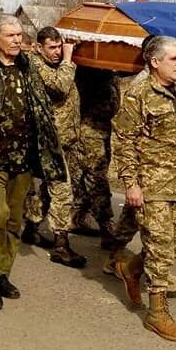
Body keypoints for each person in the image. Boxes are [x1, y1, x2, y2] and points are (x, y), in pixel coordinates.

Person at [0, 15, 65, 311]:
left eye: (20, 34)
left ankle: (2, 272)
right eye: (11, 35)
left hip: (23, 159)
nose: (17, 40)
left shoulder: (29, 69)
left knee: (13, 220)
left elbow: (43, 107)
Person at [111, 36, 176, 343]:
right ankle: (157, 313)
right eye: (175, 59)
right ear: (155, 62)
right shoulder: (138, 95)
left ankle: (131, 269)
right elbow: (124, 141)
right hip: (149, 183)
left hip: (175, 181)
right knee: (161, 246)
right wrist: (131, 183)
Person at [20, 27, 87, 268]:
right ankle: (61, 244)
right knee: (62, 190)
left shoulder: (54, 64)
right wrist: (69, 59)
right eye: (52, 48)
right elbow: (59, 87)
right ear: (39, 48)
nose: (58, 52)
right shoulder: (36, 65)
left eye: (60, 47)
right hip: (49, 140)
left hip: (65, 138)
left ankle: (31, 227)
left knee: (48, 190)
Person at [72, 65, 119, 241]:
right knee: (96, 178)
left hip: (102, 130)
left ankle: (77, 217)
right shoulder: (90, 70)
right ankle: (106, 225)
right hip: (90, 131)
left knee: (85, 178)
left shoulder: (109, 72)